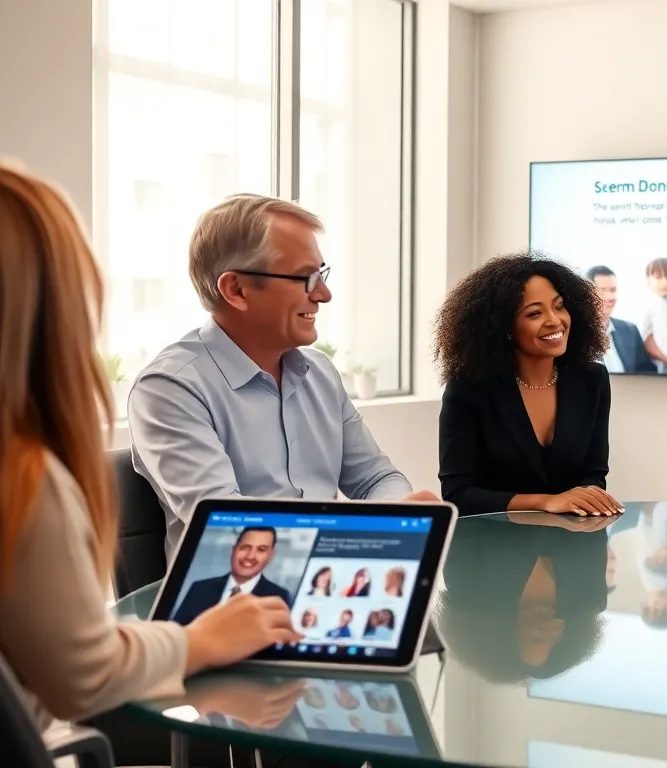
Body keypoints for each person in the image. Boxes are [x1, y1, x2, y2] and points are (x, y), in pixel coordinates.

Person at [0, 162, 301, 745]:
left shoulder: (318, 376)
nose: (322, 292)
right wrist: (200, 639)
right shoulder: (25, 478)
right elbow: (81, 676)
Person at [127, 194, 437, 555]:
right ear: (237, 290)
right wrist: (363, 535)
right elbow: (231, 529)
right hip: (235, 602)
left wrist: (395, 512)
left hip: (329, 585)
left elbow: (377, 479)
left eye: (320, 274)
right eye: (305, 278)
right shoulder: (169, 389)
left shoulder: (320, 373)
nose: (324, 294)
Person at [435, 252, 621, 517]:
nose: (555, 321)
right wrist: (545, 502)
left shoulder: (592, 380)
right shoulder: (469, 388)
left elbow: (593, 478)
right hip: (494, 547)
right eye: (534, 313)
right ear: (505, 327)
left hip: (570, 546)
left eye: (559, 306)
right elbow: (458, 495)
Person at [439, 515, 610, 682]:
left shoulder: (468, 593)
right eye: (557, 640)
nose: (551, 631)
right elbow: (596, 522)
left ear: (501, 636)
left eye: (536, 639)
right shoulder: (589, 598)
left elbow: (465, 516)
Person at [171, 527, 294, 625]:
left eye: (261, 550)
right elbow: (177, 634)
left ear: (271, 556)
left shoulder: (278, 597)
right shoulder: (200, 588)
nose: (250, 556)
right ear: (233, 550)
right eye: (245, 547)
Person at [585, 265, 656, 373]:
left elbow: (646, 371)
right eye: (602, 290)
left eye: (613, 290)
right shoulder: (575, 333)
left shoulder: (630, 330)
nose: (610, 297)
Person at [640, 257, 667, 366]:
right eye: (658, 278)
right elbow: (661, 331)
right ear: (648, 278)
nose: (664, 283)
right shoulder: (657, 302)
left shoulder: (651, 298)